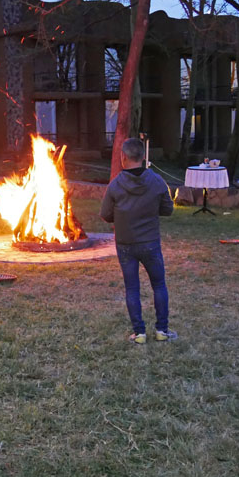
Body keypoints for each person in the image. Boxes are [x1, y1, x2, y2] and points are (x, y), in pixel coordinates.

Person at [100, 138, 175, 344]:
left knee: (132, 288)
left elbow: (105, 214)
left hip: (126, 245)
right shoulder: (158, 182)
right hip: (150, 242)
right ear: (143, 157)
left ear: (123, 157)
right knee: (159, 285)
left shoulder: (115, 185)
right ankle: (162, 330)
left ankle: (139, 333)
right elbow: (168, 209)